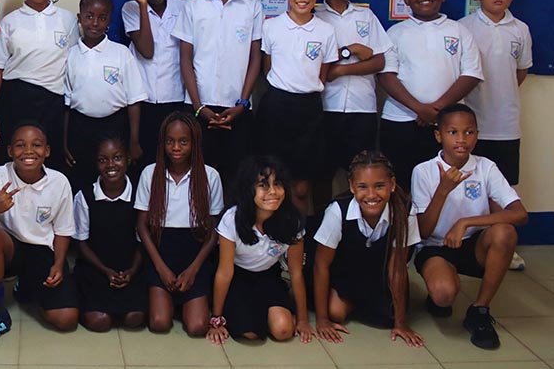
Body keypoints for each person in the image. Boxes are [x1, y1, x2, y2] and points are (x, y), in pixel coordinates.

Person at [412, 104, 528, 350]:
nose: (461, 139)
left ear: (477, 135)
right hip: (436, 247)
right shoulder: (423, 171)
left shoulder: (486, 167)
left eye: (469, 132)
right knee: (443, 295)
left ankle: (480, 309)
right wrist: (443, 190)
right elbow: (423, 232)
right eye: (453, 132)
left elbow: (519, 214)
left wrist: (465, 223)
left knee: (505, 232)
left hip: (475, 245)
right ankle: (439, 290)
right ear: (438, 135)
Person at [0, 122, 79, 348]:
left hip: (42, 250)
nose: (28, 151)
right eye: (20, 145)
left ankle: (28, 284)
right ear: (10, 151)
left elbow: (63, 230)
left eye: (36, 145)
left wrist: (59, 264)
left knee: (66, 319)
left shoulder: (59, 182)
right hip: (9, 250)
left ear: (47, 151)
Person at [378, 0, 483, 189]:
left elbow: (471, 74)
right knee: (400, 184)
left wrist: (438, 109)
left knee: (442, 184)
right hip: (401, 121)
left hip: (448, 124)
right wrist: (419, 108)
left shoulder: (460, 31)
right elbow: (386, 76)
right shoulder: (395, 33)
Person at [459, 0, 532, 271]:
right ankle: (470, 243)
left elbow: (520, 72)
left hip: (505, 124)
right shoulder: (463, 28)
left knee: (503, 188)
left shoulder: (520, 30)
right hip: (470, 124)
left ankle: (503, 246)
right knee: (469, 186)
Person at [313, 150, 423, 347]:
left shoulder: (405, 211)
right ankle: (350, 300)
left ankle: (366, 300)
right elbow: (321, 265)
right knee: (336, 313)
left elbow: (397, 268)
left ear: (392, 184)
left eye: (379, 186)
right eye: (362, 186)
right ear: (351, 186)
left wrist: (400, 323)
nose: (371, 195)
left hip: (380, 274)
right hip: (345, 273)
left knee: (387, 318)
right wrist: (322, 320)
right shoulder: (338, 210)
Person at [175, 0, 262, 185]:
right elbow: (185, 59)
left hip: (238, 108)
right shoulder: (193, 7)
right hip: (199, 107)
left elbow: (255, 57)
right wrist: (199, 107)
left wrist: (242, 103)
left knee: (238, 178)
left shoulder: (251, 6)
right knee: (200, 179)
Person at [257, 0, 338, 212]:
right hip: (276, 108)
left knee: (301, 188)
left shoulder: (326, 31)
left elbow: (323, 73)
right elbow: (267, 68)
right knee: (273, 181)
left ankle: (299, 236)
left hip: (309, 110)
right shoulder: (271, 26)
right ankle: (273, 233)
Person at [0, 0, 75, 171]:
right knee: (13, 162)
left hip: (53, 103)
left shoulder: (67, 19)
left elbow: (74, 65)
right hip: (14, 101)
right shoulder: (9, 22)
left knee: (49, 164)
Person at [207, 156, 311, 345]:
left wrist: (303, 320)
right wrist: (216, 319)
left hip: (268, 275)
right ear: (249, 189)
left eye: (277, 184)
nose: (273, 192)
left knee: (283, 330)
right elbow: (224, 272)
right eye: (263, 185)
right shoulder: (232, 219)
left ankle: (271, 313)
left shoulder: (292, 220)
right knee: (249, 334)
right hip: (237, 276)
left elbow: (295, 272)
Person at [136, 112, 223, 336]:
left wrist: (193, 270)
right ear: (162, 143)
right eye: (170, 141)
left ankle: (186, 303)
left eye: (183, 142)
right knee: (159, 323)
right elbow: (142, 226)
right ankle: (169, 301)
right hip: (161, 252)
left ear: (194, 143)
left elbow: (214, 230)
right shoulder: (150, 173)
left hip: (194, 254)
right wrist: (161, 268)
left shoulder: (210, 176)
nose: (176, 147)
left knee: (197, 327)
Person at [314, 0, 392, 204]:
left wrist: (340, 70)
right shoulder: (315, 16)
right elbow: (314, 62)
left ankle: (353, 220)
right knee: (322, 173)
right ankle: (323, 222)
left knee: (361, 173)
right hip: (326, 107)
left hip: (362, 108)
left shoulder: (365, 16)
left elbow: (378, 61)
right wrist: (352, 50)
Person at [64, 0, 146, 191]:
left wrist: (134, 141)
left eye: (102, 18)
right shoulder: (70, 55)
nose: (95, 23)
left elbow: (134, 100)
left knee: (114, 181)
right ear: (79, 18)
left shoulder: (121, 53)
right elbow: (65, 103)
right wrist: (64, 142)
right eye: (89, 16)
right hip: (80, 127)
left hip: (115, 126)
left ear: (109, 20)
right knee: (83, 181)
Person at [73, 137, 147, 332]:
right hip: (96, 268)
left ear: (128, 159)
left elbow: (143, 241)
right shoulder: (85, 196)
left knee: (134, 319)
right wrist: (105, 270)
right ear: (96, 163)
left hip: (130, 268)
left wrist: (132, 271)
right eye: (103, 160)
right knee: (100, 322)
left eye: (117, 158)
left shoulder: (139, 194)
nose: (111, 165)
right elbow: (82, 244)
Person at [121, 0, 185, 164]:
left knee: (174, 160)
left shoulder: (181, 8)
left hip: (175, 98)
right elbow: (147, 50)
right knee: (146, 160)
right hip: (144, 102)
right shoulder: (130, 9)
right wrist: (142, 5)